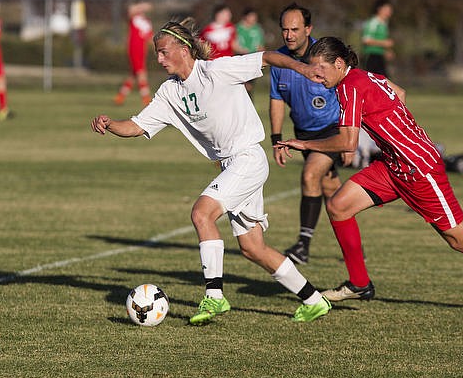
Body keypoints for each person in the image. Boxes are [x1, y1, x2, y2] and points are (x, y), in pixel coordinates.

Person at [276, 36, 463, 319]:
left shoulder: (350, 87)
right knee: (338, 206)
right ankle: (359, 283)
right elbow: (400, 93)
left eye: (320, 69)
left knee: (461, 240)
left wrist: (305, 144)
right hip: (393, 165)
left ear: (338, 63)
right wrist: (395, 135)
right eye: (312, 69)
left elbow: (348, 143)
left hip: (419, 169)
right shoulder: (364, 76)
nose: (315, 76)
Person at [91, 19, 332, 324]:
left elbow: (267, 57)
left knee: (201, 214)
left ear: (184, 48)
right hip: (232, 165)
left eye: (164, 52)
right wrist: (110, 124)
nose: (160, 59)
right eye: (157, 54)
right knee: (252, 248)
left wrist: (305, 69)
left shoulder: (217, 70)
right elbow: (137, 126)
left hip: (247, 157)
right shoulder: (169, 93)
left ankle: (214, 297)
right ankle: (313, 300)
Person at [270, 2, 349, 265]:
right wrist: (276, 139)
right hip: (303, 134)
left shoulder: (325, 57)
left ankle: (302, 246)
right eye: (284, 29)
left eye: (294, 29)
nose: (289, 35)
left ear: (308, 29)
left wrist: (350, 140)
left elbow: (349, 93)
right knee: (332, 191)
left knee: (311, 175)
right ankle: (352, 248)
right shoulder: (279, 61)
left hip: (332, 130)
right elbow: (277, 99)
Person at [114, 2, 154, 107]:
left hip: (142, 50)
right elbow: (130, 10)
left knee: (134, 74)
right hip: (134, 48)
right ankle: (146, 99)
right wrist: (142, 6)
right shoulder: (135, 18)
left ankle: (120, 97)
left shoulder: (147, 23)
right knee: (141, 73)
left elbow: (150, 38)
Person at [235, 7, 266, 96]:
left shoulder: (257, 29)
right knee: (242, 85)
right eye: (252, 16)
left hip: (254, 59)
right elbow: (234, 45)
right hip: (241, 59)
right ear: (246, 17)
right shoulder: (237, 28)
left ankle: (249, 105)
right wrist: (243, 51)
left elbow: (261, 45)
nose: (254, 19)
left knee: (250, 86)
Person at [361, 0, 394, 77]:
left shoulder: (384, 24)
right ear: (379, 9)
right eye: (387, 9)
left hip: (379, 56)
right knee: (371, 80)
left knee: (383, 80)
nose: (389, 11)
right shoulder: (373, 22)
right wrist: (384, 43)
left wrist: (387, 51)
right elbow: (366, 40)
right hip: (371, 56)